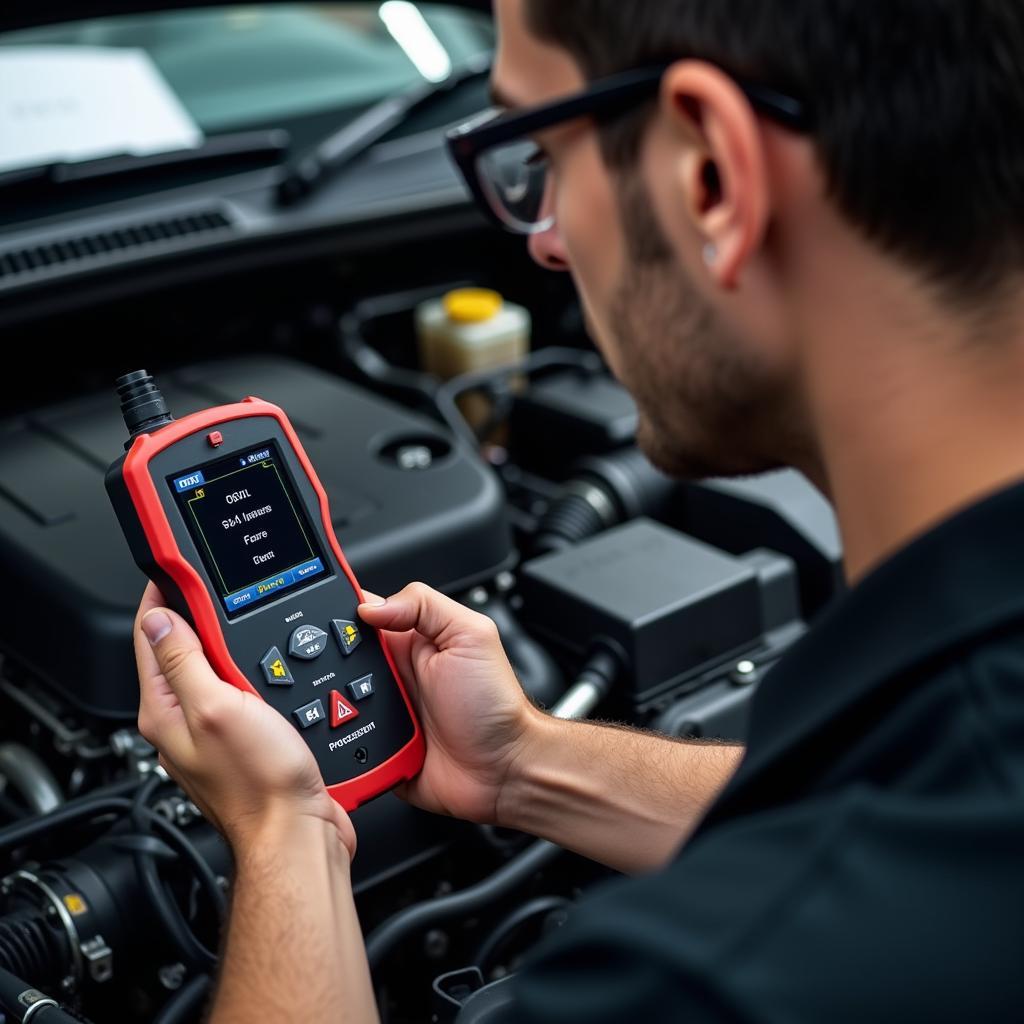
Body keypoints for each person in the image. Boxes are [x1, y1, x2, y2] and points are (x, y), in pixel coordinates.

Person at [133, 0, 1024, 1019]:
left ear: (712, 179)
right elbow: (876, 802)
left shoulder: (721, 976)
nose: (545, 245)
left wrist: (281, 826)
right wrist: (523, 762)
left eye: (539, 158)